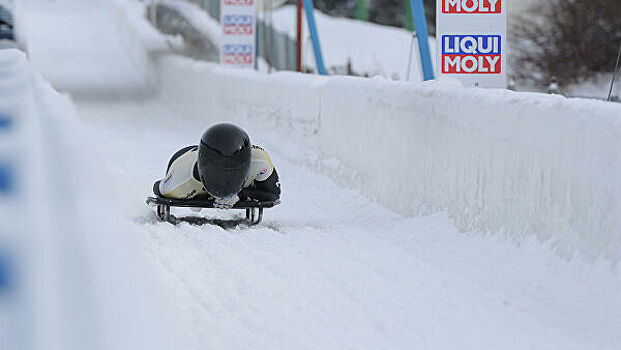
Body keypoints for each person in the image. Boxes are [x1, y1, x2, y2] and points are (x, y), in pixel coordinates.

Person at [153, 123, 280, 208]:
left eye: (233, 172)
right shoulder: (180, 182)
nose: (225, 182)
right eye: (219, 174)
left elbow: (273, 194)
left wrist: (240, 195)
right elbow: (159, 189)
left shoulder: (260, 161)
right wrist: (198, 197)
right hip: (185, 158)